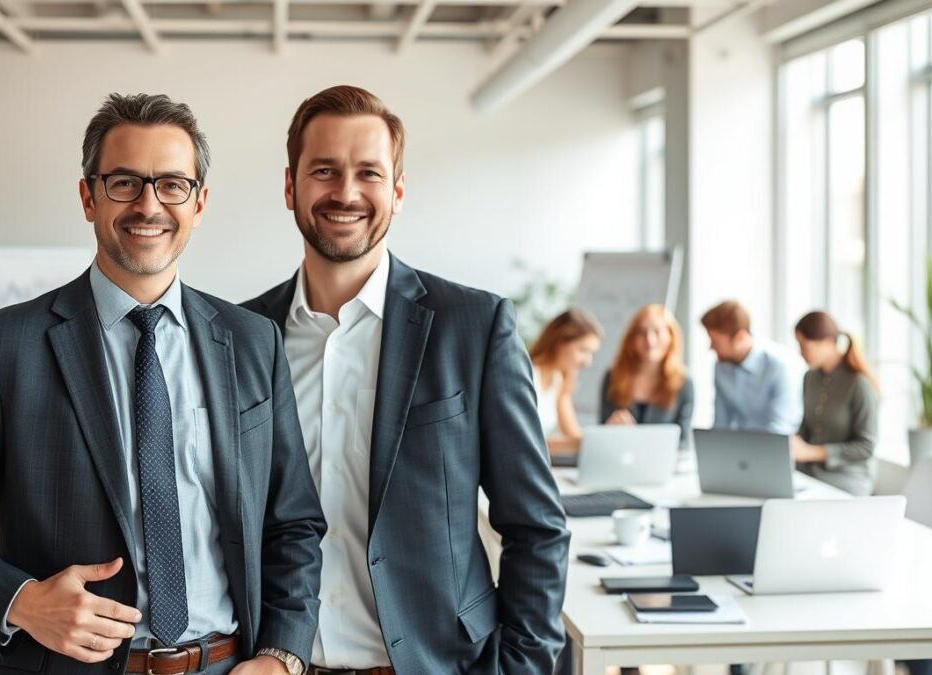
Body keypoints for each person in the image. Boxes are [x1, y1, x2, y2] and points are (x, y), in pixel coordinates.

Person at [0, 94, 325, 675]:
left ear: (199, 202)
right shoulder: (3, 346)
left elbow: (293, 523)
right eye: (124, 183)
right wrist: (21, 602)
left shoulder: (252, 341)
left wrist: (281, 657)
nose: (148, 204)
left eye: (171, 184)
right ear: (88, 196)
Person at [243, 85, 570, 674]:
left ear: (396, 192)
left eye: (368, 173)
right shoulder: (241, 336)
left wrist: (521, 668)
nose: (345, 193)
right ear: (290, 186)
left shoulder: (473, 326)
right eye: (323, 170)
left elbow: (535, 527)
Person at [791, 310, 878, 496]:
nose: (801, 353)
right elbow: (806, 429)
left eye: (804, 346)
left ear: (828, 343)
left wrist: (812, 452)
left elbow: (866, 447)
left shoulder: (859, 384)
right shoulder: (810, 378)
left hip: (847, 479)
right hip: (811, 473)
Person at [600, 304, 694, 447]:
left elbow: (683, 441)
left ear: (670, 336)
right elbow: (600, 432)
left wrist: (639, 439)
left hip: (662, 465)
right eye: (642, 333)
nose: (649, 340)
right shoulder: (613, 378)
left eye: (657, 332)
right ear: (632, 340)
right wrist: (609, 430)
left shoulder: (683, 383)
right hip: (620, 460)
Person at [701, 300, 802, 434]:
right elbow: (721, 424)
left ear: (740, 337)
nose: (711, 348)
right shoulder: (721, 367)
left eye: (716, 342)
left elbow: (781, 429)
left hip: (772, 447)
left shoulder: (780, 367)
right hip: (739, 449)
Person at [528, 309, 603, 454]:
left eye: (592, 353)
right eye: (583, 350)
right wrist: (580, 444)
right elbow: (523, 441)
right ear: (559, 342)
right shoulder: (527, 374)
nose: (587, 362)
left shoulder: (560, 380)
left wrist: (606, 435)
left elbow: (573, 434)